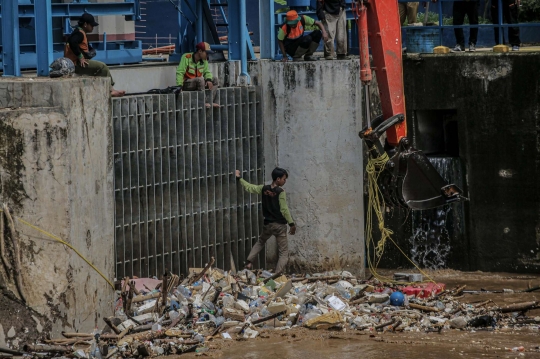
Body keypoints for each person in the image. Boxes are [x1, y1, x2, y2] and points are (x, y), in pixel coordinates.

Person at [236, 168, 296, 274]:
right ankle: (277, 275)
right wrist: (291, 223)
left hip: (267, 225)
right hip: (279, 226)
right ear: (278, 179)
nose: (284, 181)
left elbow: (249, 187)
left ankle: (249, 261)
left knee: (260, 242)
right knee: (284, 253)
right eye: (284, 179)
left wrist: (239, 178)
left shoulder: (264, 189)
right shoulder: (280, 192)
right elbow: (284, 209)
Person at [64, 13, 125, 97]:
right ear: (85, 24)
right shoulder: (79, 33)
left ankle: (103, 91)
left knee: (97, 71)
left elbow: (79, 44)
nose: (93, 27)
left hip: (75, 63)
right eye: (91, 25)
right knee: (102, 67)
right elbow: (72, 42)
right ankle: (111, 90)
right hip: (76, 64)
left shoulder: (79, 32)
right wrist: (80, 57)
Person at [176, 42, 219, 107]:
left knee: (215, 80)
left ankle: (210, 101)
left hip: (199, 83)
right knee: (200, 80)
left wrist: (208, 80)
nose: (207, 55)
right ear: (200, 51)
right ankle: (203, 102)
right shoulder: (186, 57)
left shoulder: (204, 61)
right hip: (187, 83)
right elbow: (180, 72)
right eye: (206, 53)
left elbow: (207, 72)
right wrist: (179, 86)